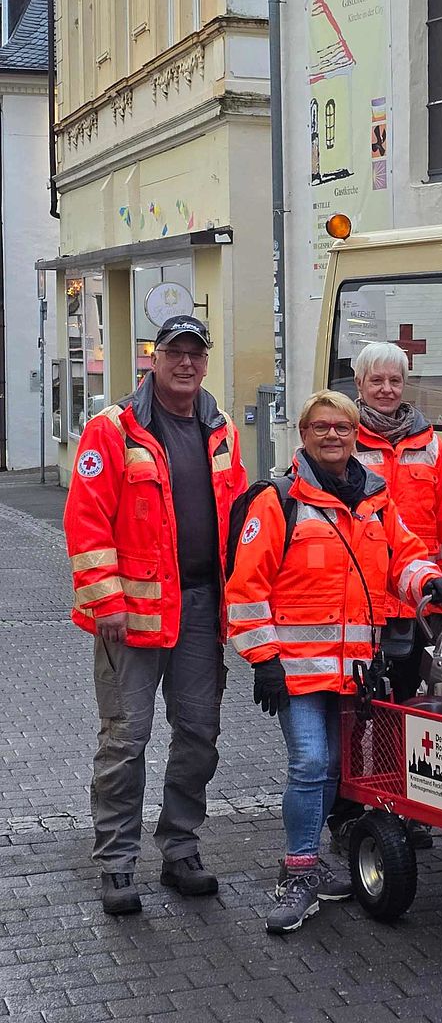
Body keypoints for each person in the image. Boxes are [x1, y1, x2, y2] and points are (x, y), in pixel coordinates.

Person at [226, 390, 442, 934]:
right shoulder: (278, 500)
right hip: (297, 671)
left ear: (356, 436)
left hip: (354, 669)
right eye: (321, 427)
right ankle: (297, 873)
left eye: (343, 427)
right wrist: (263, 659)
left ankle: (312, 864)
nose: (332, 435)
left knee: (336, 768)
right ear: (303, 434)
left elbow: (403, 559)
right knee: (310, 764)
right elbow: (246, 587)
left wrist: (431, 582)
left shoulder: (375, 500)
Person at [63, 315, 246, 916]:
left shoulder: (221, 429)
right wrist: (106, 602)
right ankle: (118, 862)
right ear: (155, 359)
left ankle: (180, 849)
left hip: (200, 610)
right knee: (125, 740)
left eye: (196, 353)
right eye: (175, 352)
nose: (186, 363)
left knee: (199, 735)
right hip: (131, 617)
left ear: (205, 361)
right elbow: (86, 521)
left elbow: (238, 520)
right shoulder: (113, 429)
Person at [327, 341, 442, 853]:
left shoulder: (430, 444)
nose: (387, 390)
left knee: (408, 712)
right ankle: (347, 815)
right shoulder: (343, 436)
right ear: (360, 384)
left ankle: (404, 808)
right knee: (354, 714)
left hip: (418, 604)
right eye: (376, 381)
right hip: (362, 603)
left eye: (395, 381)